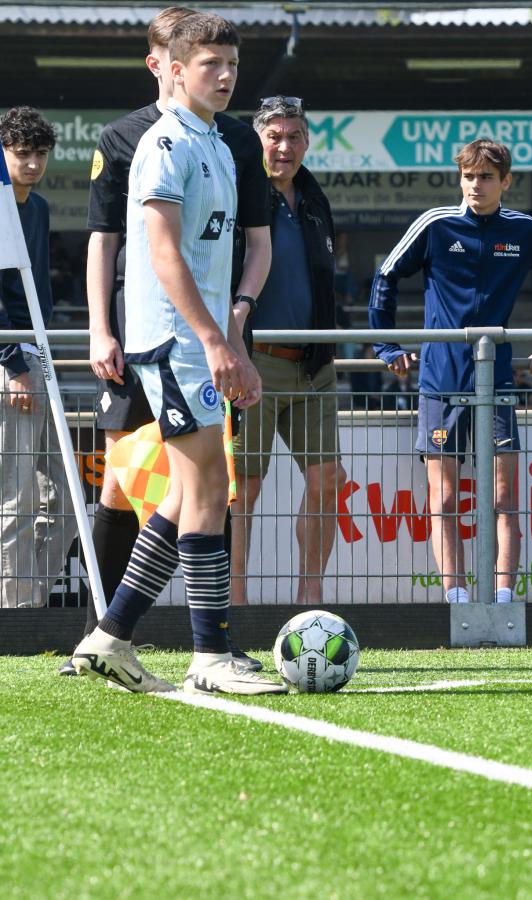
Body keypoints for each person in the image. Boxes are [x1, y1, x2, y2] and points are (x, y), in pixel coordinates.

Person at [72, 12, 286, 695]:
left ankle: (111, 636)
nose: (223, 76)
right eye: (209, 65)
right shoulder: (163, 144)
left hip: (194, 345)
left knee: (186, 494)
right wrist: (219, 340)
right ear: (174, 66)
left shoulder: (221, 146)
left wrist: (227, 336)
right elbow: (161, 256)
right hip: (172, 343)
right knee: (210, 490)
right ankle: (211, 656)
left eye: (231, 66)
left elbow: (238, 248)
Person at [369, 139, 532, 604]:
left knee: (503, 497)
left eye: (486, 177)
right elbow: (385, 276)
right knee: (444, 502)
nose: (475, 185)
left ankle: (505, 598)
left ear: (506, 182)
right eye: (469, 176)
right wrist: (386, 346)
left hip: (499, 381)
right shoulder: (435, 224)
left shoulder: (525, 230)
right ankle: (456, 599)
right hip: (440, 382)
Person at [230, 96, 346, 605]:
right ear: (258, 141)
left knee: (328, 480)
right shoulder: (238, 195)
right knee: (245, 492)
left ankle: (309, 602)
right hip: (253, 364)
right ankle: (234, 604)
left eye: (294, 136)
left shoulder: (316, 199)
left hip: (314, 367)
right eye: (274, 136)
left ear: (307, 142)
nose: (284, 146)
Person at [0, 107, 78, 607]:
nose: (31, 164)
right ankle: (12, 613)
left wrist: (40, 353)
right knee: (16, 498)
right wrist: (14, 365)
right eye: (21, 154)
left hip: (38, 352)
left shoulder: (40, 206)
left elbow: (38, 292)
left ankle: (31, 603)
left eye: (40, 154)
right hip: (10, 362)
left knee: (68, 502)